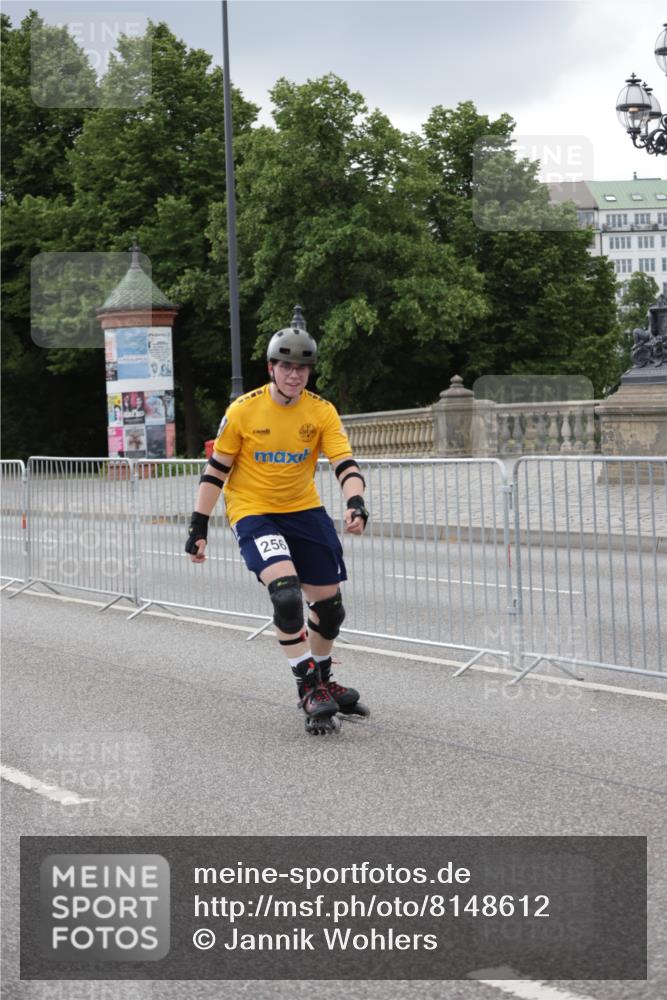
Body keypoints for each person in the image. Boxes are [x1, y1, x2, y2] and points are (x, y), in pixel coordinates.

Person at [185, 307, 369, 735]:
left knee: (330, 608)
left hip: (303, 510)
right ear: (271, 368)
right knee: (286, 595)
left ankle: (323, 678)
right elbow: (216, 471)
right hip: (253, 511)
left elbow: (345, 462)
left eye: (302, 368)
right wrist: (198, 526)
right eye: (286, 366)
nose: (294, 374)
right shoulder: (244, 411)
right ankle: (307, 686)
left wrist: (356, 502)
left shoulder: (321, 412)